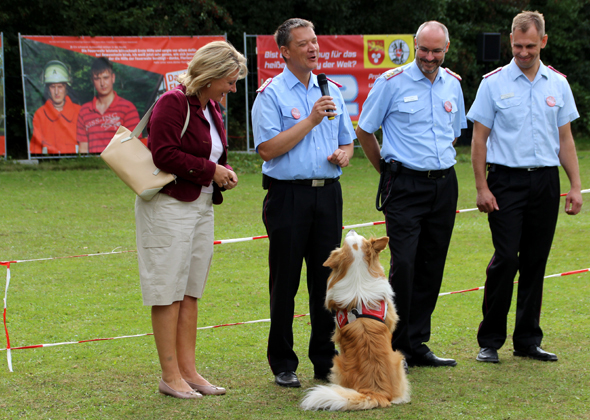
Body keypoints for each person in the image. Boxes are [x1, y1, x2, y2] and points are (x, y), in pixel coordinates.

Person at [468, 11, 582, 364]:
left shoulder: (557, 84)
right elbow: (479, 139)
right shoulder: (493, 83)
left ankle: (528, 340)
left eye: (530, 45)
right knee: (505, 259)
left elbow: (565, 139)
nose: (523, 52)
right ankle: (490, 340)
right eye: (517, 45)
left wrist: (575, 185)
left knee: (536, 260)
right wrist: (482, 187)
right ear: (511, 42)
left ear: (543, 41)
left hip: (545, 181)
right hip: (505, 182)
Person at [135, 41, 247, 399]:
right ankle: (170, 376)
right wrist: (210, 170)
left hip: (201, 205)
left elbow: (209, 154)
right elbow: (163, 152)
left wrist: (222, 171)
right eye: (229, 81)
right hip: (168, 207)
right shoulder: (173, 102)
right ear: (211, 75)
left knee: (190, 292)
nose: (232, 88)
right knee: (167, 292)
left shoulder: (209, 106)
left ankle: (189, 371)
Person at [356, 21, 466, 368]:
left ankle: (417, 343)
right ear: (413, 46)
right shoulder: (390, 83)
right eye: (423, 50)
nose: (429, 57)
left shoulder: (453, 84)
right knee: (403, 265)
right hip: (404, 186)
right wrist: (387, 172)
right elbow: (365, 129)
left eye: (436, 51)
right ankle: (395, 346)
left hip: (444, 185)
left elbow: (455, 132)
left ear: (446, 49)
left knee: (432, 265)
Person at [251, 18, 355, 388]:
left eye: (314, 41)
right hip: (288, 196)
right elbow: (267, 149)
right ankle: (282, 362)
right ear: (284, 51)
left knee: (326, 281)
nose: (313, 48)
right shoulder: (271, 94)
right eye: (303, 44)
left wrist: (344, 154)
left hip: (327, 194)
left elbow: (347, 140)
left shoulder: (331, 89)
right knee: (286, 281)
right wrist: (311, 120)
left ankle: (324, 360)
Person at [76, 57, 140, 153]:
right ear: (92, 81)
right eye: (97, 79)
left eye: (105, 78)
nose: (102, 83)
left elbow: (135, 146)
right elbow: (83, 149)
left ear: (113, 78)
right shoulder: (84, 111)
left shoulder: (128, 108)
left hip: (119, 165)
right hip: (93, 165)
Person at [30, 60, 81, 155]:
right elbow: (35, 149)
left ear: (66, 88)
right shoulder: (40, 114)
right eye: (53, 87)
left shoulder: (79, 112)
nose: (56, 92)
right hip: (48, 164)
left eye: (60, 87)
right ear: (48, 89)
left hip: (76, 164)